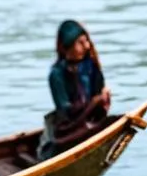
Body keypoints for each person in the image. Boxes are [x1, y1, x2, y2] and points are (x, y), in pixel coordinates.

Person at [37, 20, 112, 160]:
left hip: (90, 121)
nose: (86, 46)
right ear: (66, 48)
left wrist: (103, 98)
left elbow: (98, 90)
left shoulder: (90, 66)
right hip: (69, 128)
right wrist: (95, 102)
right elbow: (66, 112)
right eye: (80, 43)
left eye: (86, 41)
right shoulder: (57, 74)